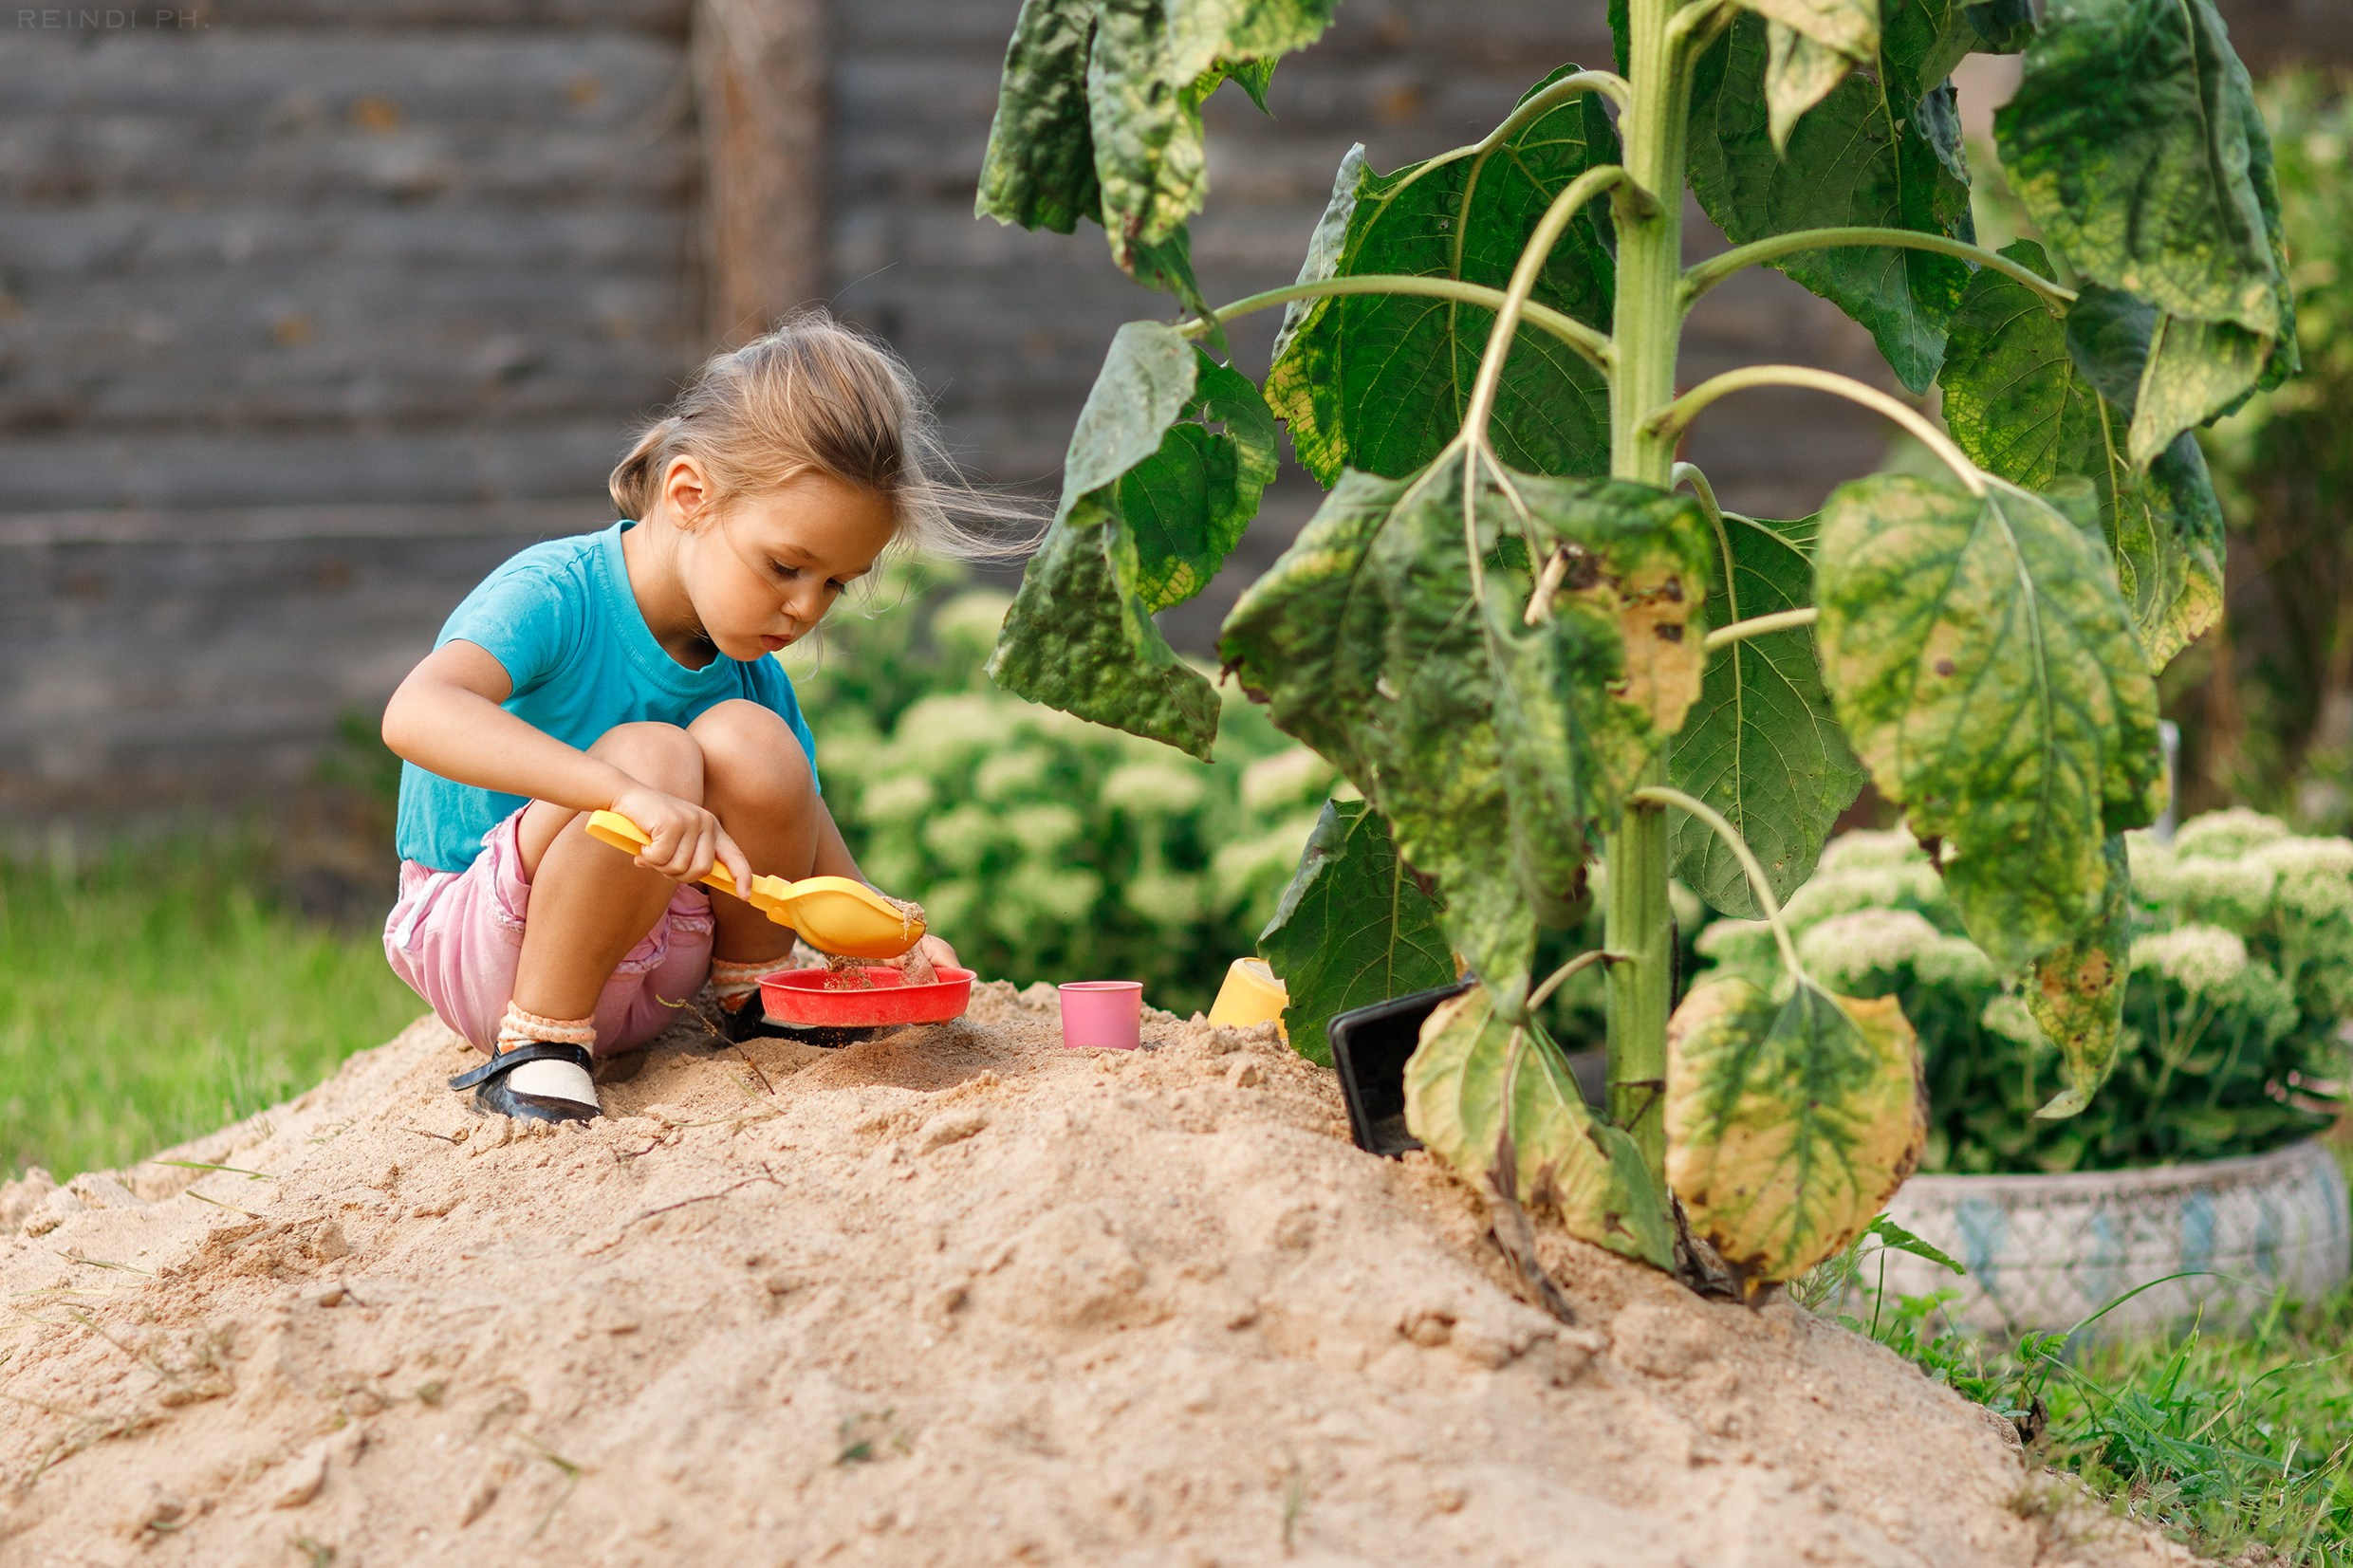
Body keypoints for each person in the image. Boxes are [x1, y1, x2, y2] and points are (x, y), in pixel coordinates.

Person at [379, 312, 1017, 1123]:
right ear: (690, 495)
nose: (804, 607)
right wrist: (619, 791)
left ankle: (748, 1001)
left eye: (835, 585)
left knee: (758, 745)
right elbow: (417, 711)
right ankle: (539, 1047)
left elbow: (804, 830)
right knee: (655, 759)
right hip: (489, 942)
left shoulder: (748, 666)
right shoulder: (556, 592)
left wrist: (893, 934)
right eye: (787, 566)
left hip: (659, 964)